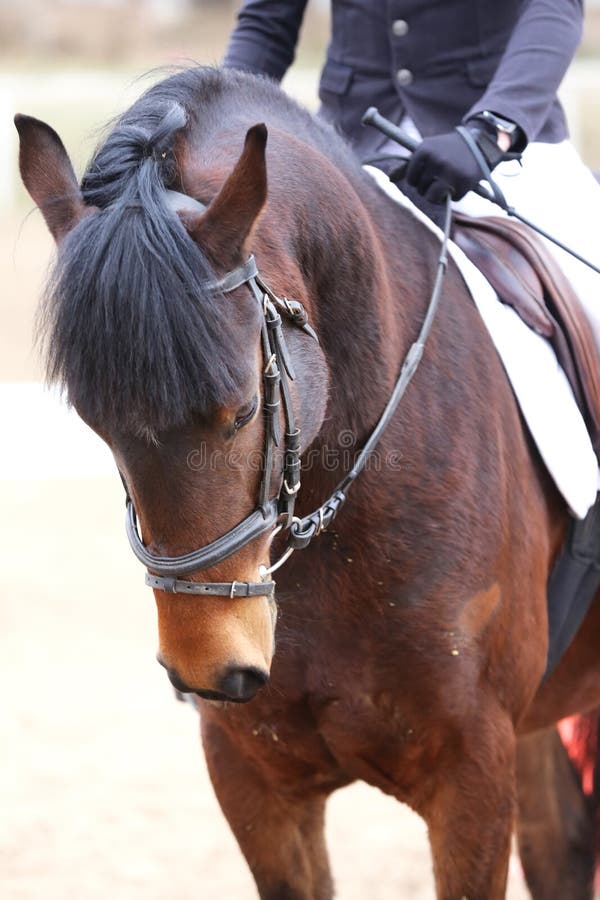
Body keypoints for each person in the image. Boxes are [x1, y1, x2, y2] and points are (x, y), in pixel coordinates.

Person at [222, 0, 600, 343]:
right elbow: (266, 24)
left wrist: (494, 128)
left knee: (589, 293)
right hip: (348, 143)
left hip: (494, 137)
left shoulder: (494, 130)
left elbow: (554, 8)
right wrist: (217, 119)